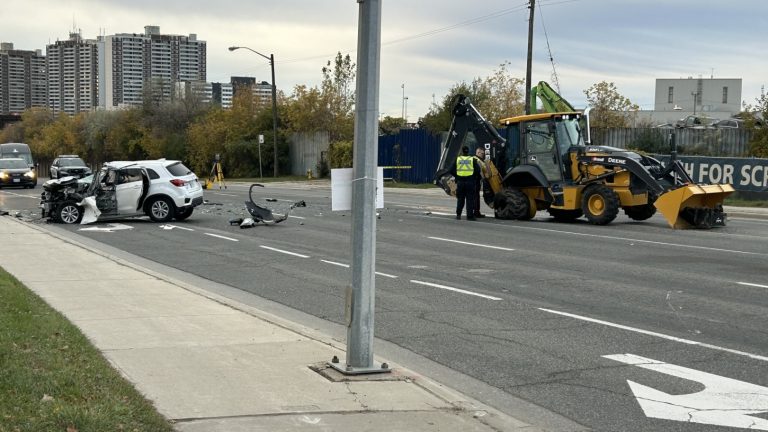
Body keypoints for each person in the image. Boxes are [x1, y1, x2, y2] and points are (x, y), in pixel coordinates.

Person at [450, 146, 481, 220]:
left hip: (460, 182)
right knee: (470, 199)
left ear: (462, 151)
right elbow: (478, 170)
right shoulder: (472, 159)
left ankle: (458, 215)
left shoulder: (458, 159)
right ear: (468, 151)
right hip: (470, 182)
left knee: (460, 199)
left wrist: (457, 176)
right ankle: (469, 216)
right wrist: (473, 177)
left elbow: (451, 170)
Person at [473, 147, 488, 218]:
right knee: (476, 197)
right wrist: (484, 179)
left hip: (470, 181)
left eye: (483, 154)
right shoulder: (478, 160)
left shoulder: (472, 159)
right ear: (478, 152)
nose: (483, 155)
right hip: (476, 181)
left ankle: (470, 212)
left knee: (471, 197)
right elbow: (480, 172)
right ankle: (476, 212)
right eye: (482, 153)